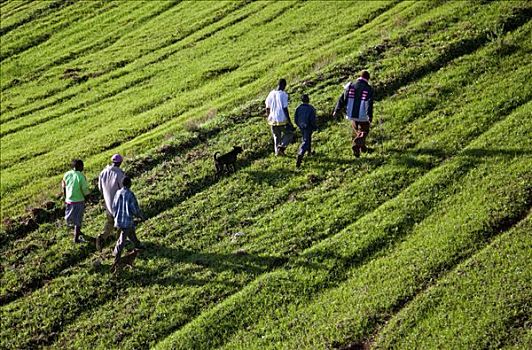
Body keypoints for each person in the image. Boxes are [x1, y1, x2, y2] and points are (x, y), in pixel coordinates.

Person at [332, 70, 374, 157]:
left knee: (358, 131)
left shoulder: (350, 86)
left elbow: (342, 99)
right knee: (364, 131)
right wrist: (369, 115)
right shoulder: (369, 88)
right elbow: (369, 104)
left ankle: (363, 149)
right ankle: (356, 144)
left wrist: (337, 110)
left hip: (351, 114)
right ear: (368, 78)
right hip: (363, 115)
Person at [111, 176, 145, 268]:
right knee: (122, 240)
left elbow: (113, 206)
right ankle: (116, 256)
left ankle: (138, 245)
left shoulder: (118, 193)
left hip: (118, 219)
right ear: (129, 184)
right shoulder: (130, 194)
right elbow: (134, 208)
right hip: (126, 220)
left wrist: (115, 216)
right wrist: (140, 215)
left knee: (131, 233)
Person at [96, 153, 125, 251]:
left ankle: (102, 237)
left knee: (110, 222)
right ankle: (119, 241)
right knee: (120, 223)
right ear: (120, 163)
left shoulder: (103, 172)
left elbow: (100, 188)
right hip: (118, 203)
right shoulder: (119, 174)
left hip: (108, 203)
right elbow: (123, 188)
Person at [62, 159, 90, 243]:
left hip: (69, 200)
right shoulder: (81, 176)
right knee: (78, 220)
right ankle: (76, 239)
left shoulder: (66, 174)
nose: (83, 167)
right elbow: (84, 189)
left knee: (73, 218)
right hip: (78, 200)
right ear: (79, 167)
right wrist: (88, 197)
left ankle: (77, 231)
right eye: (82, 166)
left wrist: (65, 196)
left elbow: (63, 186)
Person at [265, 78, 294, 156]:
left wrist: (268, 117)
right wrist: (289, 121)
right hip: (281, 118)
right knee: (289, 134)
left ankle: (277, 153)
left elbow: (267, 107)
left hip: (272, 120)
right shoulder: (283, 95)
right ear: (284, 85)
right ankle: (281, 147)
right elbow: (285, 108)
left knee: (276, 136)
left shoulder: (271, 93)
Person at [294, 94, 317, 168]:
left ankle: (309, 152)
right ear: (308, 100)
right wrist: (314, 126)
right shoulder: (311, 108)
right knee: (306, 140)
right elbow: (312, 119)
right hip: (308, 126)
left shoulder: (298, 108)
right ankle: (300, 154)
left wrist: (299, 124)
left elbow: (295, 118)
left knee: (307, 138)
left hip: (301, 125)